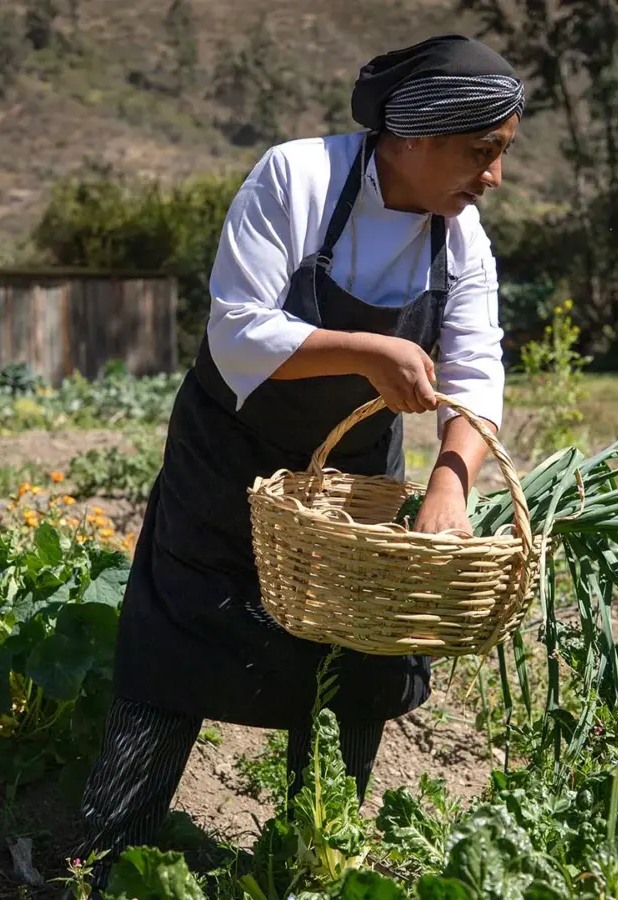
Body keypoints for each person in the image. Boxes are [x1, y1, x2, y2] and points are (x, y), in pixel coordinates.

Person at [74, 33, 522, 883]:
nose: (492, 176)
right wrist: (366, 351)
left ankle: (311, 859)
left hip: (348, 482)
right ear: (418, 136)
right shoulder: (299, 178)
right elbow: (238, 327)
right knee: (177, 639)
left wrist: (449, 484)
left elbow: (477, 370)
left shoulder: (459, 239)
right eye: (483, 151)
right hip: (228, 458)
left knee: (357, 652)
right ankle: (108, 851)